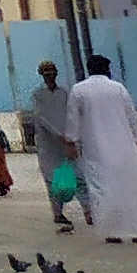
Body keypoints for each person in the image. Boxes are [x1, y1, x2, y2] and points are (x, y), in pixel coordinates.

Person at [71, 52, 137, 243]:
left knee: (101, 189)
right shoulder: (118, 88)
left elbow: (72, 119)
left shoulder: (78, 90)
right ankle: (136, 229)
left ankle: (110, 231)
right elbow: (131, 116)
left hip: (95, 148)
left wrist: (71, 140)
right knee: (129, 188)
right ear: (107, 70)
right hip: (124, 147)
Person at [24, 59, 83, 233]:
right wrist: (59, 135)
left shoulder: (64, 93)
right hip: (48, 144)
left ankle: (86, 209)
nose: (50, 74)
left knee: (74, 176)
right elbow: (41, 118)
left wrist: (71, 136)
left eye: (52, 71)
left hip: (66, 142)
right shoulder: (37, 95)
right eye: (46, 71)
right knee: (51, 179)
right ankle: (57, 212)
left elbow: (71, 114)